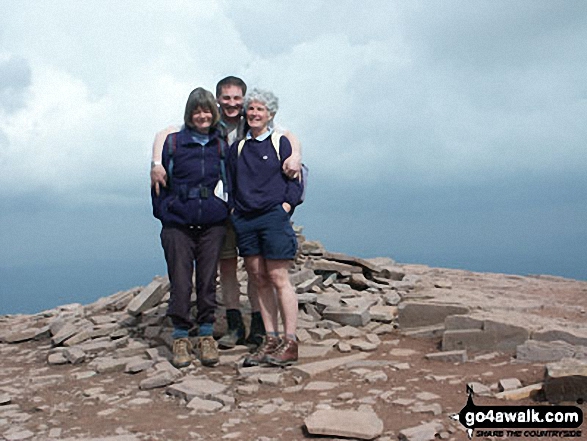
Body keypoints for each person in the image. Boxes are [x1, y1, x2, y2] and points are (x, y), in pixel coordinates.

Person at [150, 76, 302, 350]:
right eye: (226, 98)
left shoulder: (254, 121)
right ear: (218, 99)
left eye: (237, 99)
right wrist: (156, 162)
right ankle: (235, 325)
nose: (232, 104)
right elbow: (167, 132)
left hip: (257, 211)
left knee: (264, 272)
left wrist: (295, 162)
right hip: (227, 210)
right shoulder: (211, 123)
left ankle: (262, 328)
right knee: (231, 267)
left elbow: (288, 137)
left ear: (244, 101)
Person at [151, 87, 229, 368]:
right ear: (189, 113)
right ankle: (181, 336)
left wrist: (224, 211)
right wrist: (165, 214)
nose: (202, 115)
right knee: (181, 280)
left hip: (212, 223)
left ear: (213, 112)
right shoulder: (173, 143)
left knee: (208, 281)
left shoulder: (221, 145)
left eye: (207, 110)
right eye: (197, 111)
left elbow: (230, 181)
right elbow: (158, 184)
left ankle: (206, 334)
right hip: (177, 224)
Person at [227, 88, 303, 367]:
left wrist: (284, 209)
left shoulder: (280, 141)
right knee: (258, 277)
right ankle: (270, 339)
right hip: (245, 219)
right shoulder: (238, 147)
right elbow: (231, 184)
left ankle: (290, 341)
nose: (254, 113)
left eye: (260, 109)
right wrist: (235, 211)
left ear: (270, 114)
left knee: (278, 277)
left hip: (273, 217)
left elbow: (296, 181)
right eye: (251, 109)